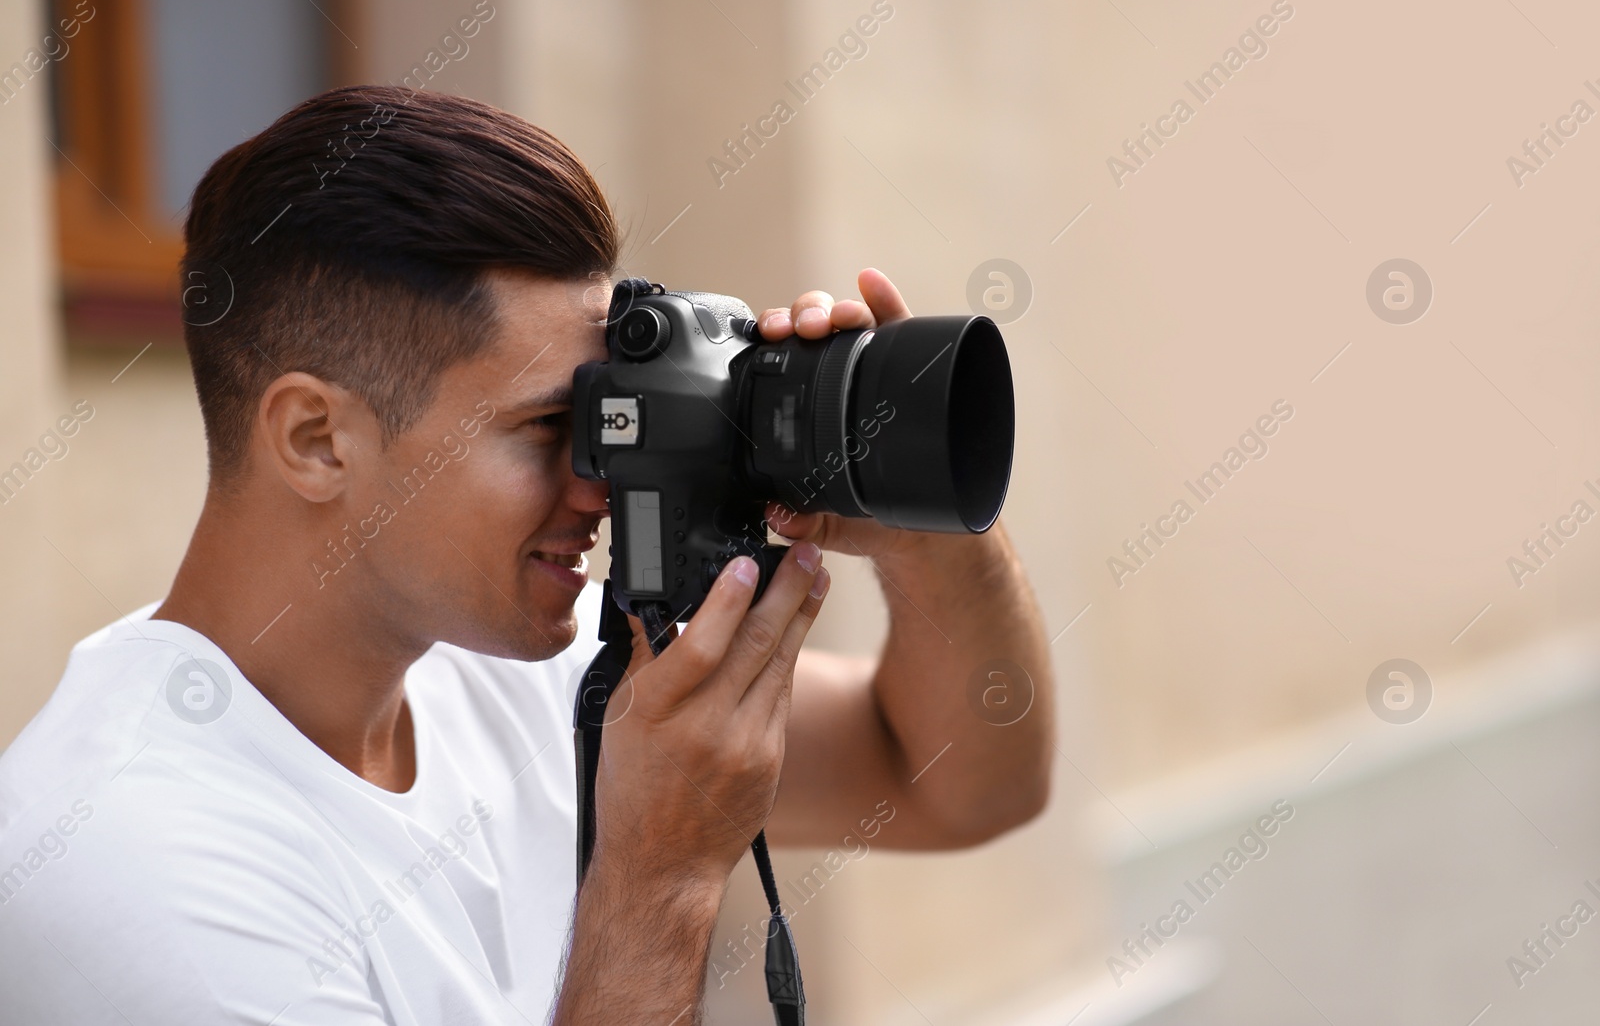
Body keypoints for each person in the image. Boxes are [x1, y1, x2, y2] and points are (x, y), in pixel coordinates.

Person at [0, 86, 1052, 1024]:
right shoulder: (137, 868)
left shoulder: (513, 668)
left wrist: (909, 506)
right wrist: (660, 878)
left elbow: (959, 782)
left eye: (613, 411)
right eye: (553, 427)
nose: (603, 480)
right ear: (317, 439)